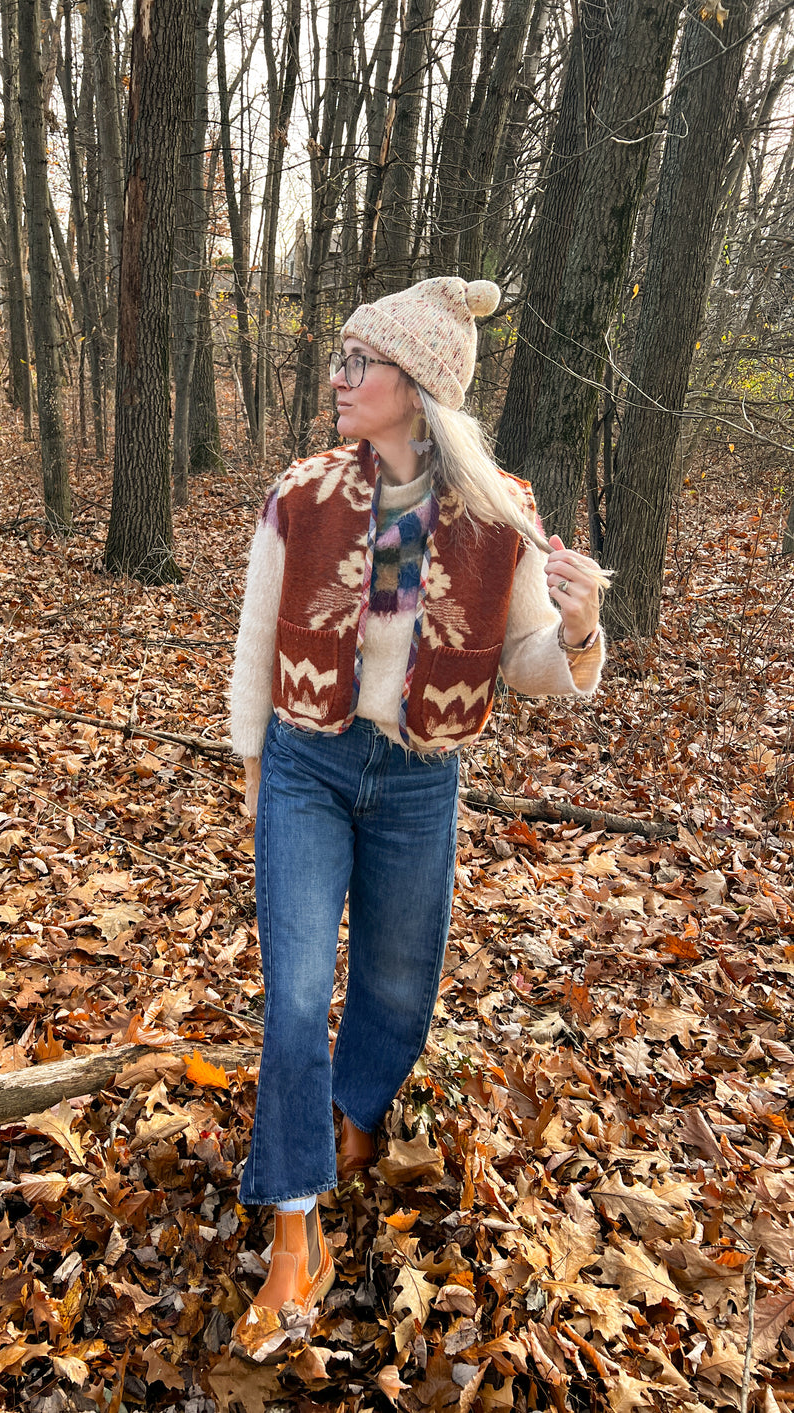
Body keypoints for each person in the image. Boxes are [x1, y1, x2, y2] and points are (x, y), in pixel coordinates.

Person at [226, 277, 607, 1355]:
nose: (338, 380)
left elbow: (529, 665)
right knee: (295, 992)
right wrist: (250, 762)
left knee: (397, 982)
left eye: (359, 363)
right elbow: (256, 638)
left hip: (418, 779)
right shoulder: (300, 494)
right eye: (341, 360)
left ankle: (349, 1111)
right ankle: (296, 1228)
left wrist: (578, 632)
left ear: (420, 388)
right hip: (306, 763)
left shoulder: (498, 513)